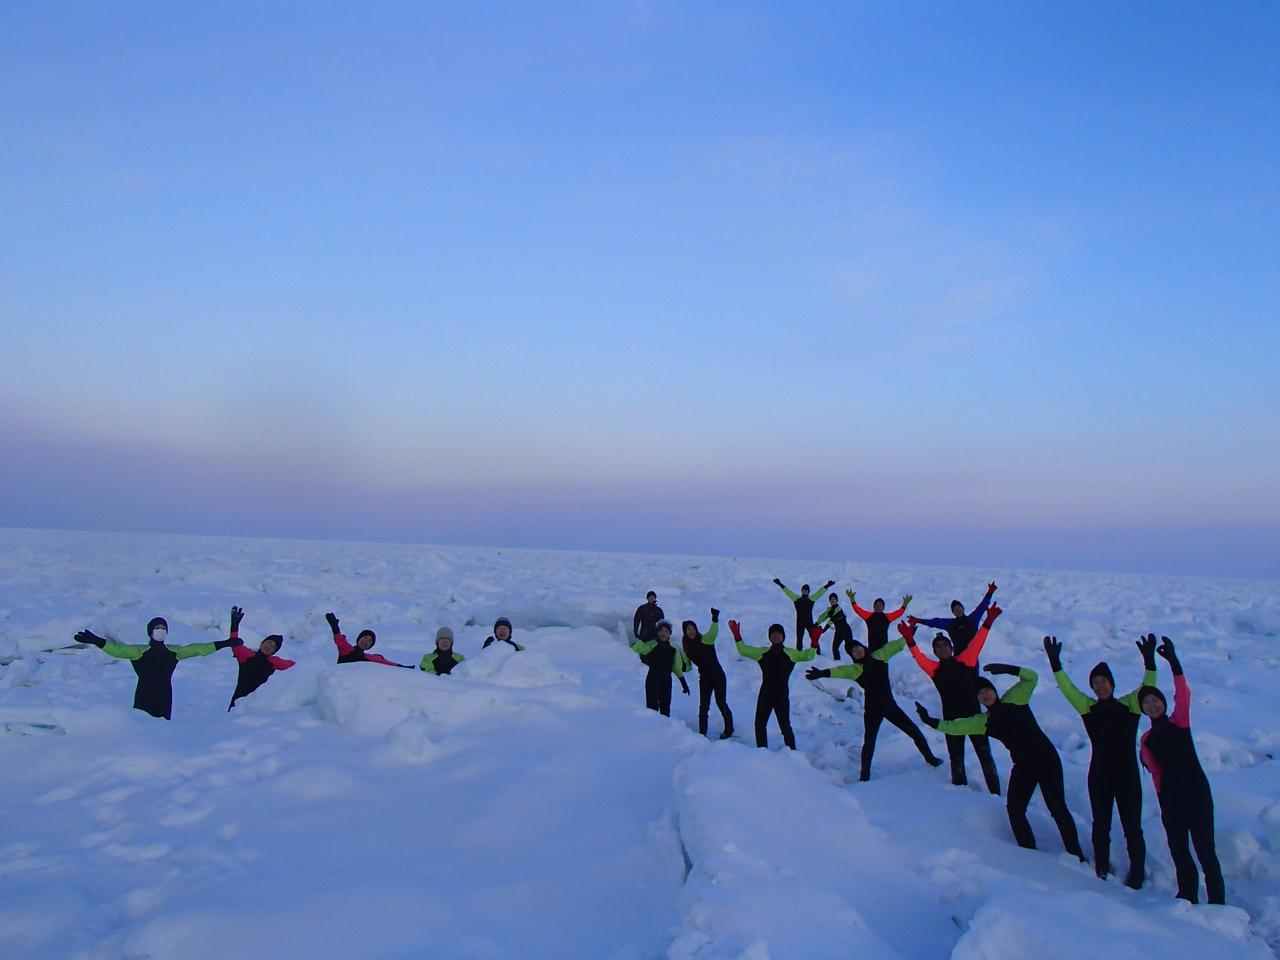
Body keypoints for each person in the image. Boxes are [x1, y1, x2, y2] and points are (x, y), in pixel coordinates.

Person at [915, 663, 1085, 860]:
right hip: (1023, 766)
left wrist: (1009, 669)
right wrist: (929, 720)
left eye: (987, 690)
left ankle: (1077, 855)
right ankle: (1030, 854)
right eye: (980, 694)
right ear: (978, 699)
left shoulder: (1015, 699)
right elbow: (956, 727)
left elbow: (1032, 677)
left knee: (1057, 808)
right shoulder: (984, 721)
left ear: (994, 691)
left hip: (1046, 759)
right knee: (1015, 808)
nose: (985, 695)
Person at [1046, 634, 1157, 888]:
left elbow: (1147, 688)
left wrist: (1150, 662)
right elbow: (1067, 689)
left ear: (1111, 683)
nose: (1100, 686)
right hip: (1100, 775)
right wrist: (1055, 665)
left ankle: (1137, 872)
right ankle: (1102, 867)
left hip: (1127, 775)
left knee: (1133, 828)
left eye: (1103, 681)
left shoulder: (1130, 705)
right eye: (1095, 682)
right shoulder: (1088, 708)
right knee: (1101, 825)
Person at [1138, 637, 1225, 905]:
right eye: (1147, 703)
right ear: (1142, 710)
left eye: (1156, 700)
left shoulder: (1180, 722)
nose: (1153, 705)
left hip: (1196, 793)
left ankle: (1217, 902)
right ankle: (1187, 895)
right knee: (1178, 850)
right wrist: (1164, 800)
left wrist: (1174, 663)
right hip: (1171, 798)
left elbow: (1183, 695)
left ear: (1163, 703)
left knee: (1205, 850)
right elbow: (1155, 773)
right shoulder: (1147, 739)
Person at [806, 636, 942, 780]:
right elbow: (840, 670)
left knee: (914, 731)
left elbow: (895, 645)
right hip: (872, 709)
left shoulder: (880, 656)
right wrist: (822, 673)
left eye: (857, 647)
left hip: (890, 706)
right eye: (853, 651)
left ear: (863, 647)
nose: (856, 651)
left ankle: (930, 758)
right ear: (852, 656)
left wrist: (908, 636)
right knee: (869, 741)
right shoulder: (855, 669)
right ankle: (864, 776)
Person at [901, 607, 1003, 794]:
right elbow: (919, 658)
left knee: (985, 758)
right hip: (951, 721)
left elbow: (978, 642)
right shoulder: (934, 669)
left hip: (975, 720)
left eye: (945, 645)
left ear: (951, 647)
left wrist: (988, 621)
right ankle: (960, 795)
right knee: (956, 760)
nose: (942, 648)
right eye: (938, 647)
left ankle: (996, 795)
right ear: (935, 651)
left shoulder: (967, 660)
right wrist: (910, 640)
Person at [73, 616, 233, 720]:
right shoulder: (139, 651)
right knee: (142, 725)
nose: (161, 631)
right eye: (157, 628)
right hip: (144, 695)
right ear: (150, 632)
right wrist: (98, 641)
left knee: (162, 728)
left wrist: (223, 643)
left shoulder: (174, 651)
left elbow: (198, 648)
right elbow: (118, 650)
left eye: (163, 628)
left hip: (165, 696)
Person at [730, 619, 815, 749]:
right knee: (759, 724)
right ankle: (762, 751)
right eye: (773, 633)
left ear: (783, 636)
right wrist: (737, 635)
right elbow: (744, 650)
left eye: (779, 633)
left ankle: (792, 752)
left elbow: (808, 656)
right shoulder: (762, 652)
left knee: (785, 727)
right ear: (769, 637)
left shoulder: (791, 653)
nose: (776, 635)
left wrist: (814, 642)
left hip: (781, 695)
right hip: (765, 694)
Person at [224, 606, 296, 710]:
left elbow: (297, 666)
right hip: (238, 702)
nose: (269, 646)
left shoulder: (274, 662)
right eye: (269, 643)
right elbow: (235, 644)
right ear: (263, 642)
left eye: (273, 647)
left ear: (274, 652)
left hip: (258, 705)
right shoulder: (247, 655)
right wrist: (234, 627)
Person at [908, 581, 997, 658]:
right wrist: (919, 620)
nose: (957, 609)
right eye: (955, 609)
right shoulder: (950, 623)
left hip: (973, 656)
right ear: (953, 613)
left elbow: (982, 606)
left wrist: (990, 592)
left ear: (963, 608)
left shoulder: (972, 619)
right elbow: (935, 622)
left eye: (959, 607)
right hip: (958, 656)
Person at [681, 608, 733, 739]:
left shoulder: (705, 639)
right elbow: (687, 667)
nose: (691, 631)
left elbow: (713, 632)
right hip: (704, 679)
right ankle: (702, 733)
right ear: (685, 632)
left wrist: (715, 618)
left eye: (693, 628)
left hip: (718, 676)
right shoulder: (687, 650)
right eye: (688, 629)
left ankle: (729, 729)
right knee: (703, 706)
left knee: (721, 703)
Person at [631, 619, 690, 716]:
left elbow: (676, 668)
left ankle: (664, 730)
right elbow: (636, 648)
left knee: (665, 710)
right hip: (652, 681)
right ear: (657, 632)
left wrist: (684, 683)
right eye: (661, 631)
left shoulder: (673, 648)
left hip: (666, 682)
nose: (663, 633)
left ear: (669, 633)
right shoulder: (651, 644)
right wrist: (646, 638)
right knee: (652, 710)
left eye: (666, 631)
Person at [325, 612, 413, 668]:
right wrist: (335, 628)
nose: (366, 641)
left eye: (370, 641)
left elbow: (386, 663)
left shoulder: (368, 657)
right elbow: (340, 641)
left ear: (370, 646)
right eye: (365, 637)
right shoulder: (347, 650)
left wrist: (402, 667)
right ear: (359, 638)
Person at [773, 577, 836, 650]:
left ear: (808, 591)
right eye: (804, 590)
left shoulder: (811, 599)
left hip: (809, 621)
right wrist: (780, 584)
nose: (805, 591)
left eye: (806, 590)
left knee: (813, 637)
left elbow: (819, 593)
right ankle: (799, 653)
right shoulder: (796, 599)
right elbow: (788, 592)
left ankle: (818, 653)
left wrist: (827, 585)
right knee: (799, 638)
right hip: (800, 622)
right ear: (801, 591)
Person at [814, 592, 854, 659]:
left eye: (834, 599)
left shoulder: (838, 608)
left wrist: (824, 630)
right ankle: (837, 663)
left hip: (846, 630)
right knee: (835, 648)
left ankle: (856, 662)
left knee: (851, 648)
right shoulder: (829, 610)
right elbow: (823, 616)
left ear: (837, 600)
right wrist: (816, 623)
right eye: (831, 599)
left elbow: (832, 619)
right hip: (838, 632)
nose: (832, 600)